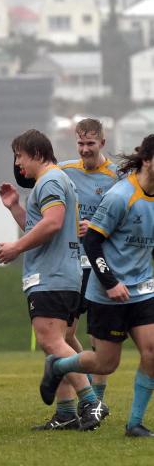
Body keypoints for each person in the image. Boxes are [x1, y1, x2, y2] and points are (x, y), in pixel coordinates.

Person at [40, 135, 154, 438]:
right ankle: (59, 366)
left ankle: (135, 424)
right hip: (109, 292)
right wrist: (111, 282)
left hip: (142, 289)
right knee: (105, 364)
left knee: (152, 352)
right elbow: (92, 240)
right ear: (147, 160)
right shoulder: (120, 196)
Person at [0, 129, 107, 431]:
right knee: (64, 341)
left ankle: (91, 401)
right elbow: (39, 227)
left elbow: (53, 224)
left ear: (36, 154)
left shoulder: (50, 180)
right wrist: (15, 207)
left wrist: (16, 247)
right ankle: (68, 411)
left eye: (19, 156)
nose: (18, 164)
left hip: (52, 274)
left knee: (51, 340)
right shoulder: (53, 181)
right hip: (62, 272)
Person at [58, 118, 117, 404]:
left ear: (102, 143)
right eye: (80, 143)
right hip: (73, 262)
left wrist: (94, 227)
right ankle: (89, 388)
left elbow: (127, 219)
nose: (84, 149)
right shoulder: (65, 171)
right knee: (66, 333)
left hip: (104, 263)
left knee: (100, 335)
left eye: (90, 144)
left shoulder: (118, 176)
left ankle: (98, 399)